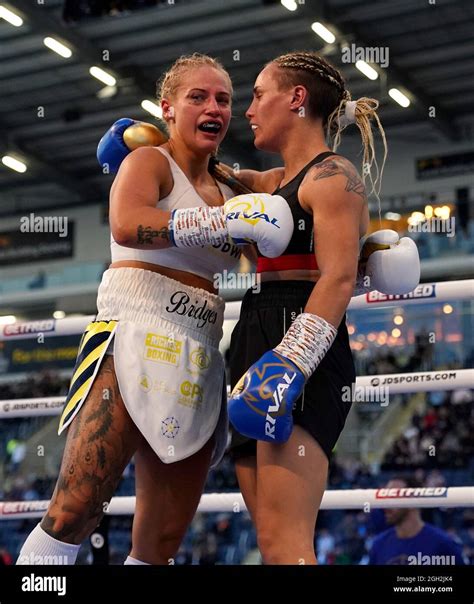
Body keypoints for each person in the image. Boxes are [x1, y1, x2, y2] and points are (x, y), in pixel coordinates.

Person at [16, 53, 292, 566]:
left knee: (161, 542)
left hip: (201, 349)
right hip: (133, 330)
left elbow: (287, 211)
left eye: (224, 99)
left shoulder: (234, 186)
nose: (214, 107)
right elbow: (126, 224)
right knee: (76, 510)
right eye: (198, 97)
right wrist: (218, 225)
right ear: (167, 109)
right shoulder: (150, 162)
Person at [225, 51, 414, 565]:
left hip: (302, 340)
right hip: (253, 330)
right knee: (270, 542)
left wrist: (291, 362)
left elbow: (339, 276)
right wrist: (154, 144)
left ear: (296, 98)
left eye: (259, 94)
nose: (248, 109)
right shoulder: (268, 184)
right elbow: (207, 171)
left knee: (289, 543)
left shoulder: (332, 176)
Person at [369, 477, 465, 565]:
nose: (386, 505)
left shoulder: (443, 544)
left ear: (413, 501)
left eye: (394, 497)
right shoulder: (379, 545)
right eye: (385, 498)